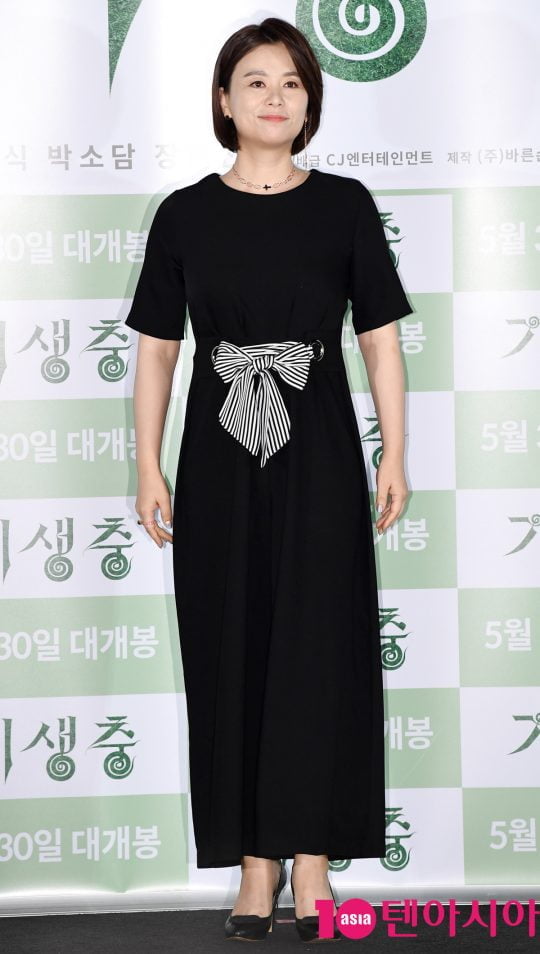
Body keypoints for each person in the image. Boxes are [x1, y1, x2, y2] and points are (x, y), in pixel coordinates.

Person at [124, 16, 412, 944]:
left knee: (320, 648)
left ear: (309, 102)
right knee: (230, 644)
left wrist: (394, 451)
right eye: (255, 81)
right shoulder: (184, 214)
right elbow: (159, 351)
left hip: (319, 453)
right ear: (224, 100)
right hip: (216, 459)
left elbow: (378, 338)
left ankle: (314, 860)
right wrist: (148, 462)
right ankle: (255, 864)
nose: (274, 97)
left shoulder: (345, 205)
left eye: (291, 82)